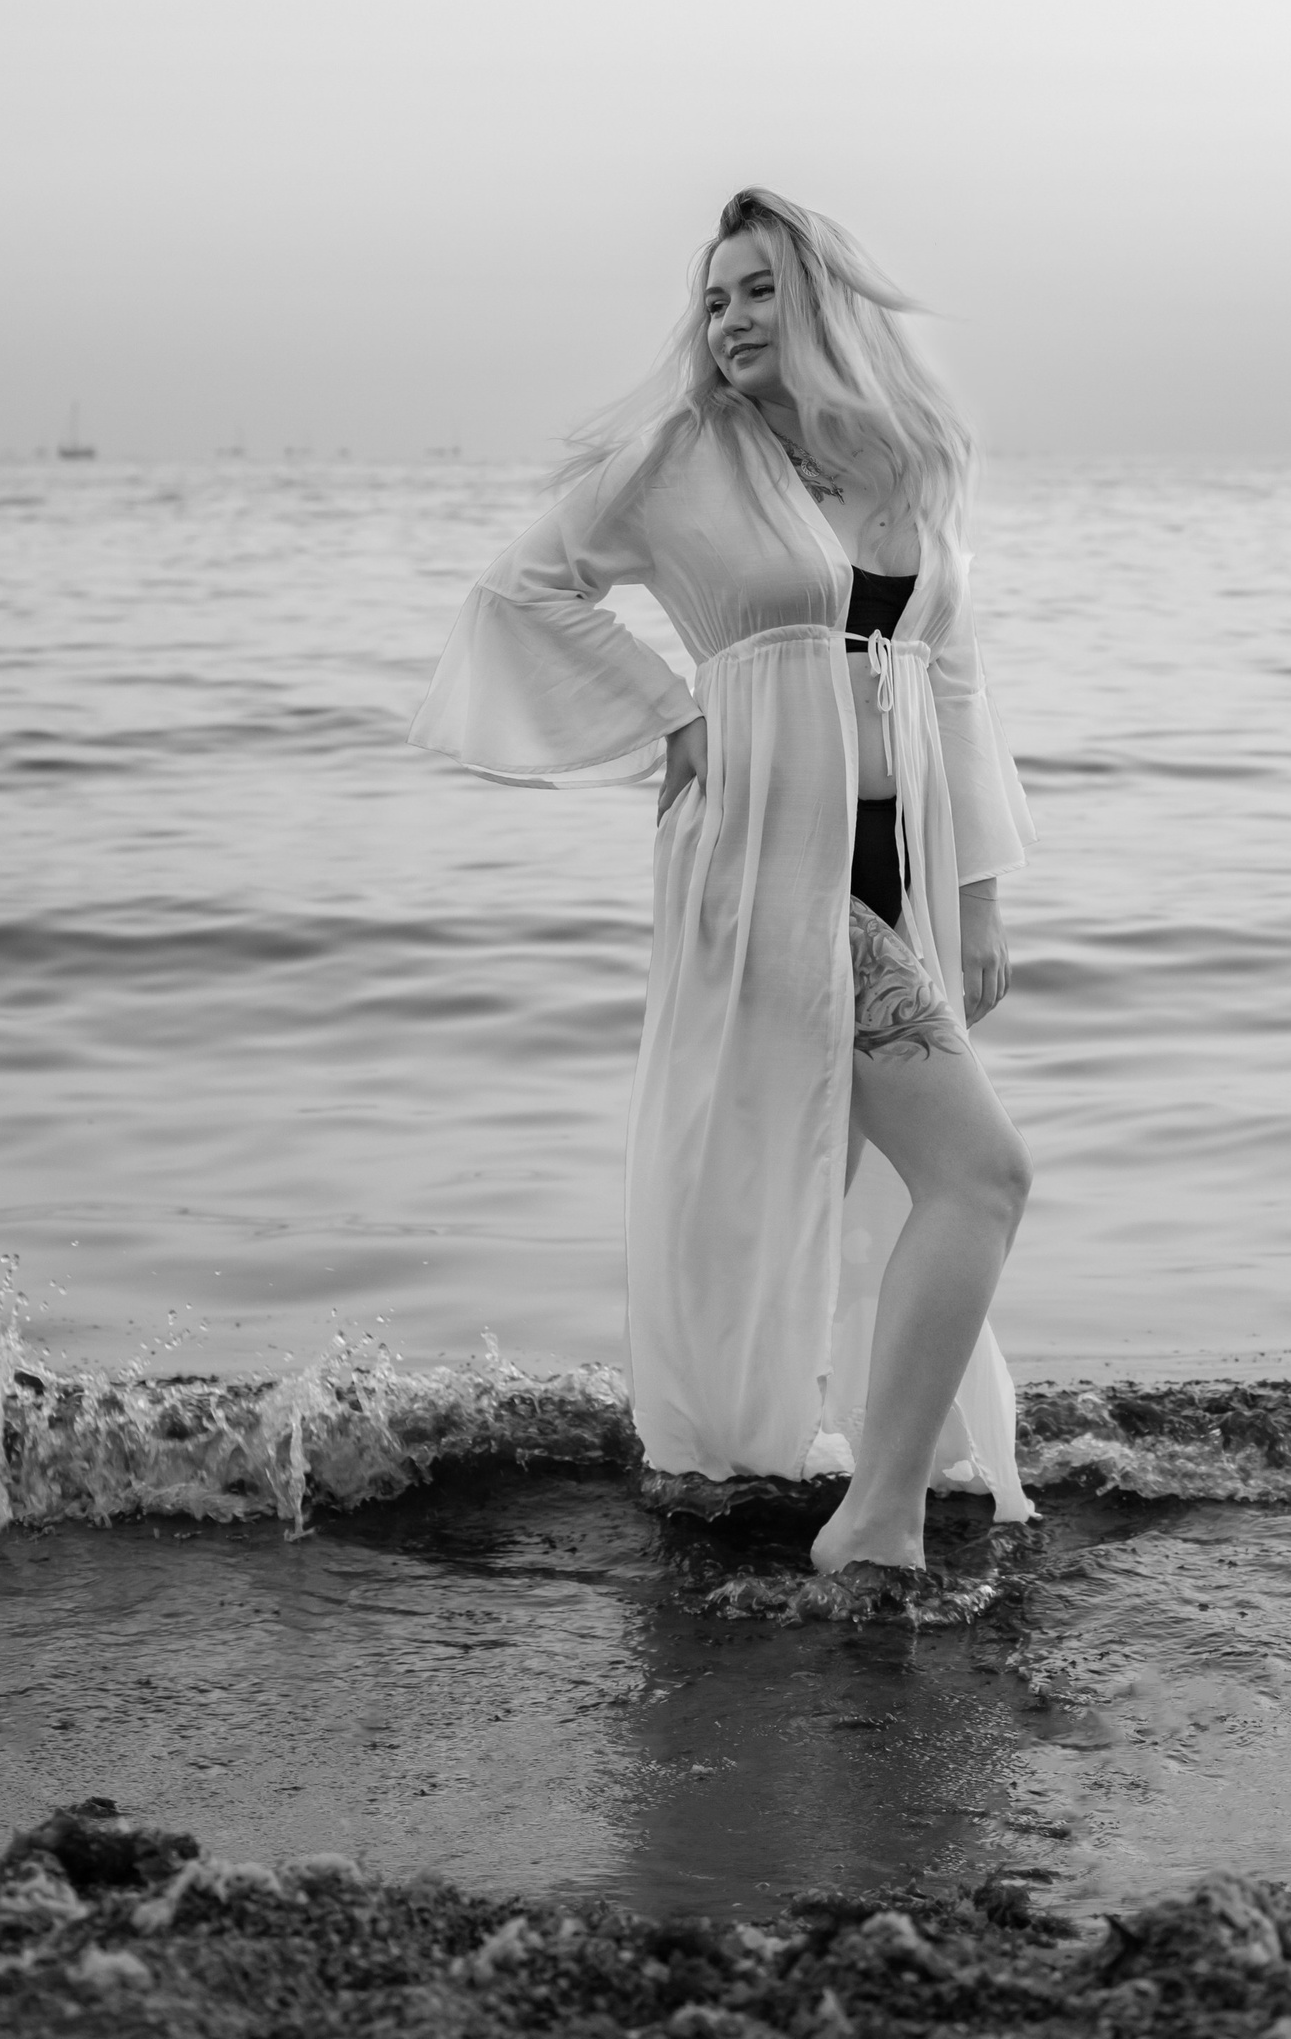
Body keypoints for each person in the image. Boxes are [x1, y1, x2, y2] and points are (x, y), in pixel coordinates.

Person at [410, 188, 1035, 1572]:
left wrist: (981, 893)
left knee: (835, 1181)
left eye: (757, 291)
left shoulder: (906, 464)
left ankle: (803, 1472)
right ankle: (876, 1522)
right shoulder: (683, 455)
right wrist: (672, 714)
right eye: (713, 299)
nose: (730, 320)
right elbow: (522, 589)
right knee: (979, 1174)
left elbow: (956, 678)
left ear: (820, 303)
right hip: (770, 868)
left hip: (903, 873)